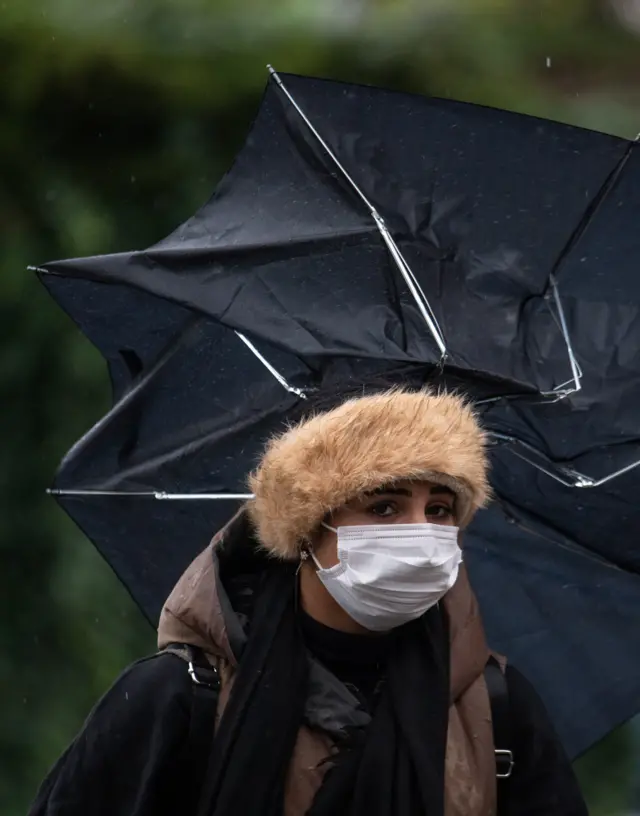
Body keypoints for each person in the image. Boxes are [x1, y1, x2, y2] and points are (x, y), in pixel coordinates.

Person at [29, 387, 588, 815]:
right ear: (306, 531)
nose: (421, 534)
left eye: (440, 510)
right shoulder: (178, 698)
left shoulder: (496, 707)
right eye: (385, 508)